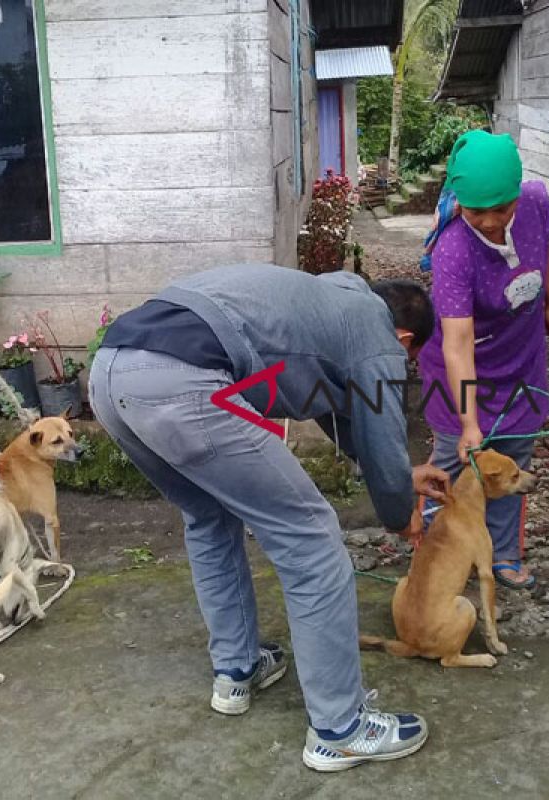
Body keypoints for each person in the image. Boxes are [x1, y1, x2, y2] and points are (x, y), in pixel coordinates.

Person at [88, 264, 451, 772]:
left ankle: (237, 670)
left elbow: (343, 413)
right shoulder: (375, 330)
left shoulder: (325, 306)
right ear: (405, 339)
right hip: (186, 379)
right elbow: (381, 419)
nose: (398, 368)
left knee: (208, 516)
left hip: (111, 372)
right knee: (313, 540)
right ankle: (340, 730)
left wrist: (397, 474)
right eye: (406, 361)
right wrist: (399, 512)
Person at [417, 130, 549, 590]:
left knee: (514, 455)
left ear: (516, 195)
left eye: (501, 209)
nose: (489, 221)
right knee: (456, 465)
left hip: (520, 357)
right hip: (463, 369)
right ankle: (435, 552)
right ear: (459, 201)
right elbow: (457, 342)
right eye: (476, 211)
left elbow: (542, 250)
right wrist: (468, 424)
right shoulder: (454, 251)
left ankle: (501, 553)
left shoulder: (535, 201)